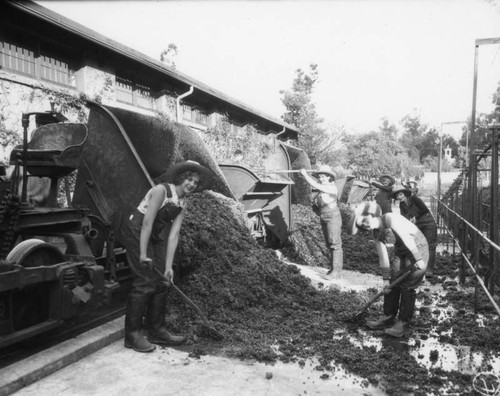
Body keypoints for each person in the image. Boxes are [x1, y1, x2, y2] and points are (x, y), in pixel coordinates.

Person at [122, 160, 213, 353]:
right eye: (189, 179)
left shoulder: (183, 202)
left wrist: (168, 267)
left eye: (195, 182)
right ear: (181, 178)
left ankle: (156, 330)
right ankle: (132, 335)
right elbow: (147, 223)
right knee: (145, 280)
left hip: (156, 233)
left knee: (163, 280)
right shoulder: (161, 191)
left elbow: (174, 235)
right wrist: (143, 254)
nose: (191, 184)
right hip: (138, 230)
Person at [348, 201, 428, 337]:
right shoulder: (376, 233)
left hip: (418, 248)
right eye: (362, 226)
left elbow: (407, 238)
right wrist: (385, 280)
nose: (365, 225)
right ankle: (388, 317)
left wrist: (419, 259)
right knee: (393, 281)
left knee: (408, 287)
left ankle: (403, 324)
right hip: (402, 251)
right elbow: (383, 257)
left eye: (365, 220)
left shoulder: (390, 218)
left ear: (371, 214)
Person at [300, 165, 343, 277]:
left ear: (329, 177)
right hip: (324, 216)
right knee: (329, 243)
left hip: (332, 216)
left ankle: (336, 272)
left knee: (335, 243)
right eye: (320, 176)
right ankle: (332, 268)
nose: (322, 178)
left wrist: (305, 175)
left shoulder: (331, 187)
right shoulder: (321, 190)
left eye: (324, 176)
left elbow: (314, 184)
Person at [392, 184, 437, 278]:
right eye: (397, 196)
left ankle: (429, 270)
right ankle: (419, 267)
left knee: (430, 245)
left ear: (404, 194)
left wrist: (415, 217)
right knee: (419, 244)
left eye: (400, 194)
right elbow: (404, 217)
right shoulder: (402, 205)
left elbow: (424, 209)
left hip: (427, 222)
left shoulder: (414, 199)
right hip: (417, 225)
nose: (399, 197)